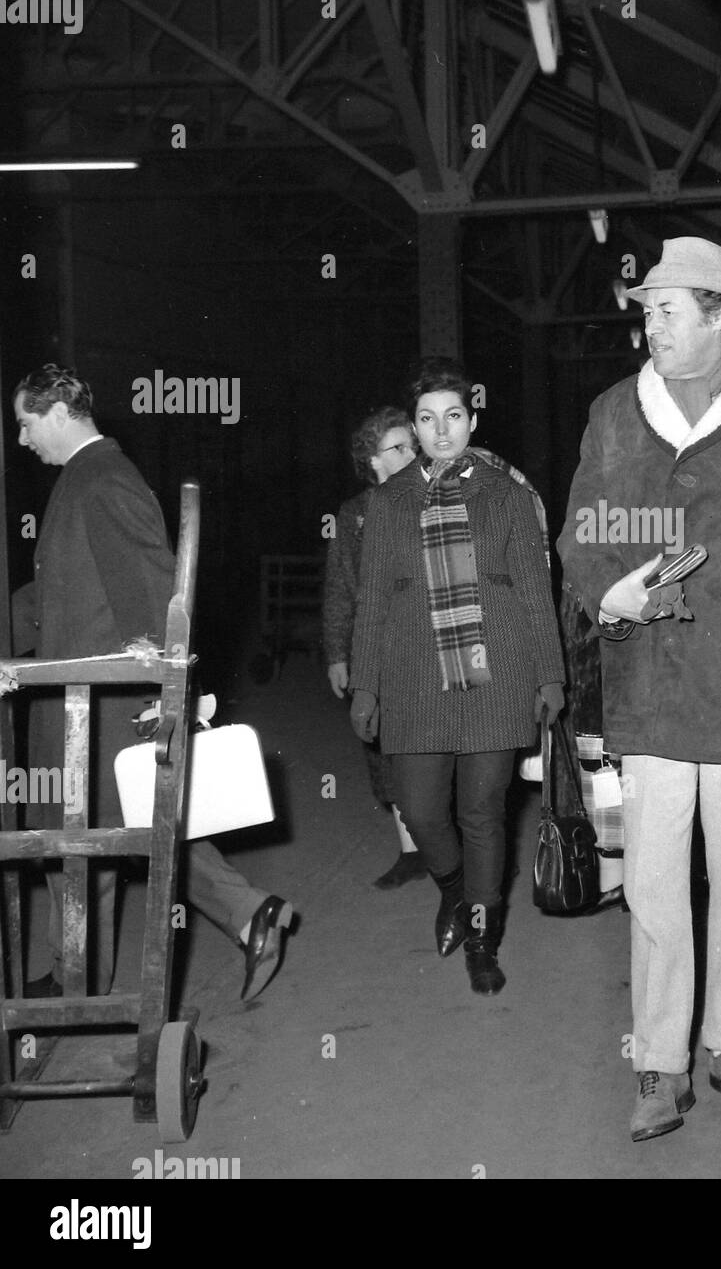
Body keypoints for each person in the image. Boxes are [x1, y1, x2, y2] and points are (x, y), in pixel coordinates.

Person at [558, 237, 721, 1143]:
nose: (649, 324)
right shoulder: (616, 411)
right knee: (655, 887)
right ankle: (660, 1063)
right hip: (651, 680)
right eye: (647, 310)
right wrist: (608, 590)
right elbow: (583, 525)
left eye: (666, 309)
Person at [8, 364, 293, 1002]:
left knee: (95, 837)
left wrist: (168, 692)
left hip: (101, 704)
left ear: (58, 413)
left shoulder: (102, 479)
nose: (22, 439)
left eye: (26, 424)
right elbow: (60, 596)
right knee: (114, 835)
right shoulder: (84, 478)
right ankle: (87, 971)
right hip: (85, 698)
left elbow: (156, 592)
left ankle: (78, 980)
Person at [348, 357, 564, 996]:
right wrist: (366, 682)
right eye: (427, 419)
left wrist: (548, 675)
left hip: (496, 672)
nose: (441, 431)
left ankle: (481, 937)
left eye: (454, 416)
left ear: (472, 418)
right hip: (414, 672)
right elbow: (373, 600)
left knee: (481, 813)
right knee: (418, 807)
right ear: (413, 429)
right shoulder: (389, 501)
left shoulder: (507, 494)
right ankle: (452, 887)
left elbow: (533, 588)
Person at [323, 406, 426, 889]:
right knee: (384, 748)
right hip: (376, 652)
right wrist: (337, 655)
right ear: (373, 461)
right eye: (399, 447)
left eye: (413, 444)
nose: (413, 452)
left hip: (430, 646)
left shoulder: (436, 499)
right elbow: (341, 587)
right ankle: (411, 851)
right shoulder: (354, 515)